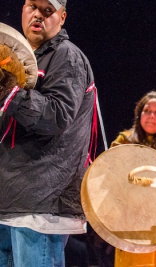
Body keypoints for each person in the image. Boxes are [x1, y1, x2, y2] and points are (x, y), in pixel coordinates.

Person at [0, 0, 97, 266]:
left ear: (62, 17)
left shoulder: (67, 56)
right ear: (22, 8)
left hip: (42, 203)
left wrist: (10, 92)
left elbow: (56, 117)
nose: (38, 15)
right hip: (11, 198)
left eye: (48, 11)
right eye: (33, 6)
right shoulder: (13, 56)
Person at [110, 91, 156, 267]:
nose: (151, 116)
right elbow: (111, 179)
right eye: (147, 111)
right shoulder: (124, 141)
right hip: (131, 222)